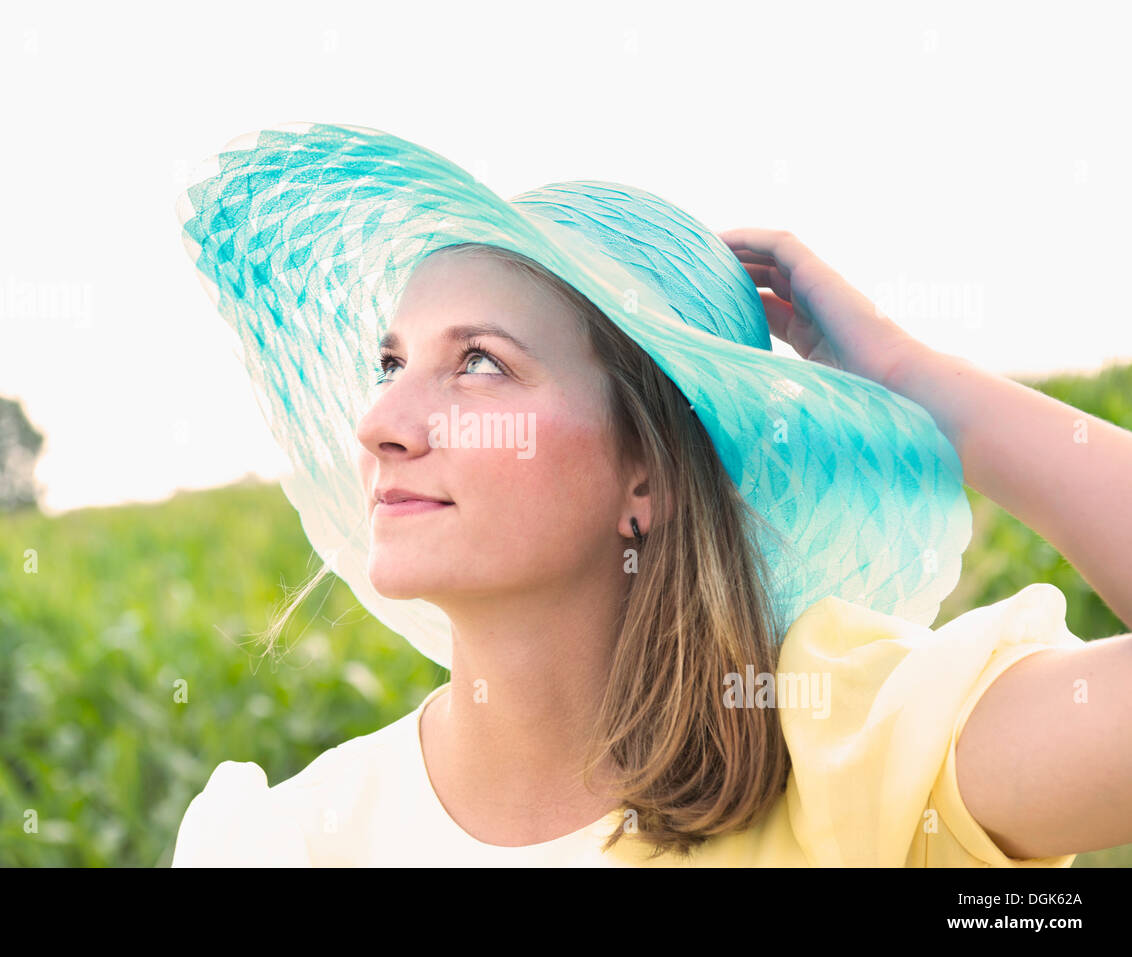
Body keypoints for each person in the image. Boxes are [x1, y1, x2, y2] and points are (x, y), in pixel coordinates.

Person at [170, 123, 1132, 867]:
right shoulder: (282, 842)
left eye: (478, 363)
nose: (382, 422)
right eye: (390, 361)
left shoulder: (852, 756)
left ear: (650, 473)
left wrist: (915, 380)